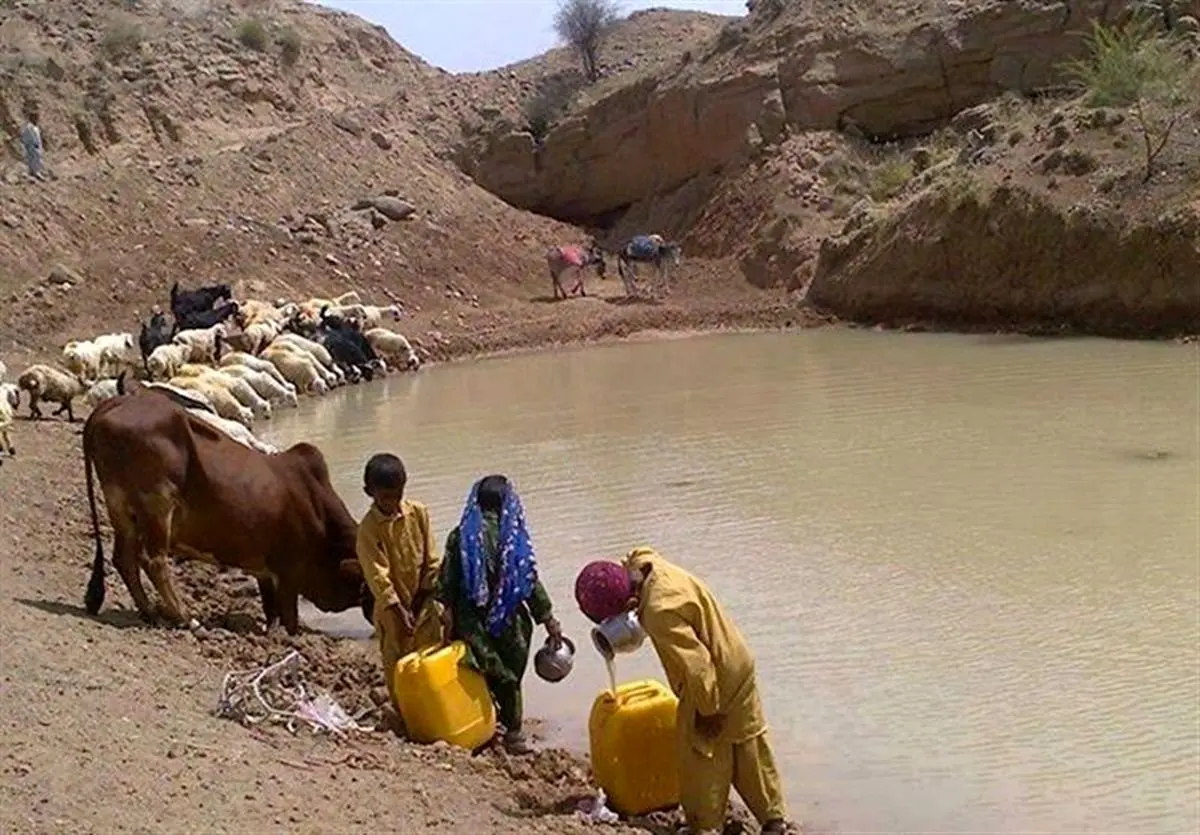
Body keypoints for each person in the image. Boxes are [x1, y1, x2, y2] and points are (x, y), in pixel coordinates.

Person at [574, 547, 795, 835]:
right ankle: (773, 818)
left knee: (701, 752)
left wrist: (707, 709)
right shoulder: (648, 563)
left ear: (630, 602)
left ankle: (704, 825)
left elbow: (696, 664)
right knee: (746, 741)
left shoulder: (657, 613)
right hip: (736, 657)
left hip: (714, 677)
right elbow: (634, 556)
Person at [437, 474, 563, 755]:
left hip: (472, 623)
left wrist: (447, 618)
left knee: (479, 674)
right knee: (509, 680)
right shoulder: (512, 536)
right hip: (508, 622)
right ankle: (513, 735)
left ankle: (481, 725)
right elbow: (527, 582)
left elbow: (447, 583)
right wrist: (549, 619)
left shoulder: (460, 536)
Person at [356, 453, 445, 702]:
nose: (394, 502)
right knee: (397, 664)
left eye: (398, 494)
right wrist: (397, 608)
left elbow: (431, 559)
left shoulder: (418, 513)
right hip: (391, 612)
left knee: (430, 658)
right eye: (386, 497)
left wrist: (426, 595)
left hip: (424, 604)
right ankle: (406, 712)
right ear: (369, 492)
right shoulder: (369, 530)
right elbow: (377, 575)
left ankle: (435, 709)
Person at [20, 113, 45, 181]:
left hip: (37, 146)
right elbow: (25, 137)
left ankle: (37, 171)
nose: (37, 119)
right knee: (32, 159)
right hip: (32, 146)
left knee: (38, 158)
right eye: (35, 118)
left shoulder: (35, 127)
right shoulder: (28, 127)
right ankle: (35, 173)